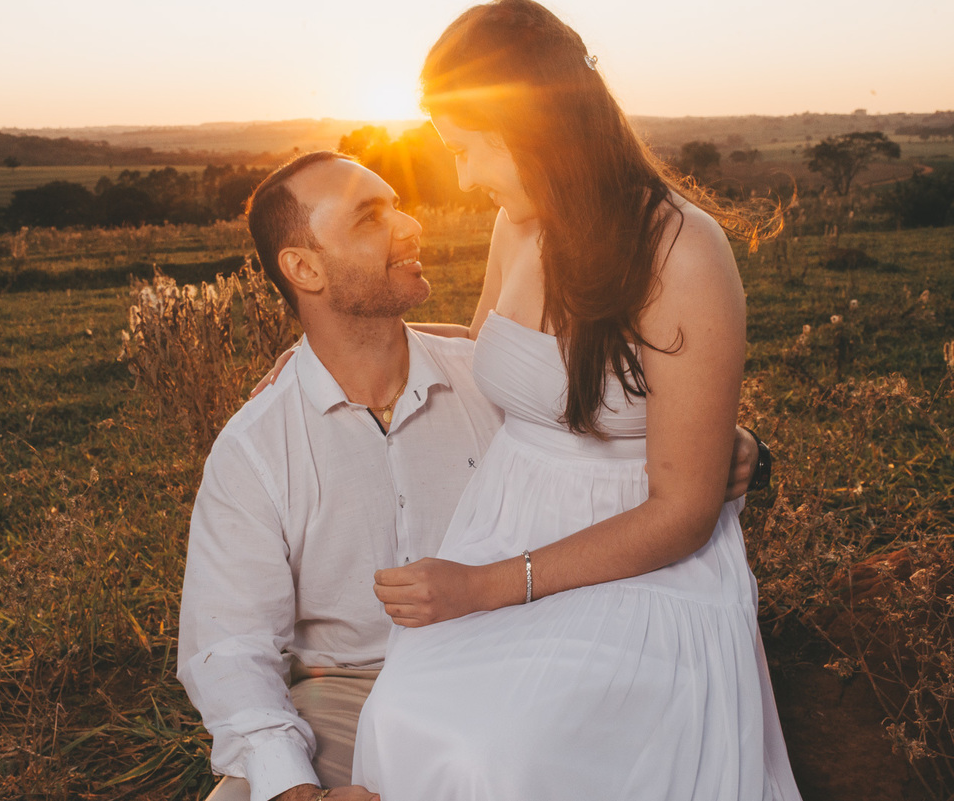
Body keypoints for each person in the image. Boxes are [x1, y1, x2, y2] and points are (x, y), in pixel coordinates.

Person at [177, 150, 768, 801]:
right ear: (304, 268)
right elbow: (229, 648)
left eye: (398, 205)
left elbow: (628, 454)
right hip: (344, 692)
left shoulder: (496, 388)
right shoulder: (257, 447)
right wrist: (295, 791)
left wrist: (735, 447)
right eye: (370, 217)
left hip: (515, 660)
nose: (411, 226)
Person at [349, 2, 801, 800]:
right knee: (400, 711)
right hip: (505, 523)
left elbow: (682, 511)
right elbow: (490, 349)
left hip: (637, 558)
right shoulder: (515, 225)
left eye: (466, 150)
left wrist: (481, 586)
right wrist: (333, 347)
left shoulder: (682, 252)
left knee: (498, 756)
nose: (464, 178)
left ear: (531, 129)